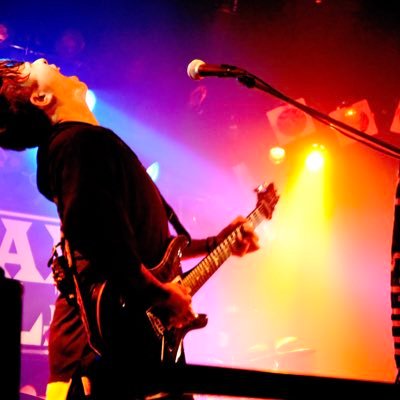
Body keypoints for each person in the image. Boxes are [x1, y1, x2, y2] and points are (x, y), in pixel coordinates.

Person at [0, 58, 260, 400]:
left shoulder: (89, 144)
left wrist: (217, 243)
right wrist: (159, 294)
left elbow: (148, 247)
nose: (43, 61)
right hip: (114, 352)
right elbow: (96, 236)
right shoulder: (75, 144)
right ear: (41, 98)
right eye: (32, 67)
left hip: (144, 348)